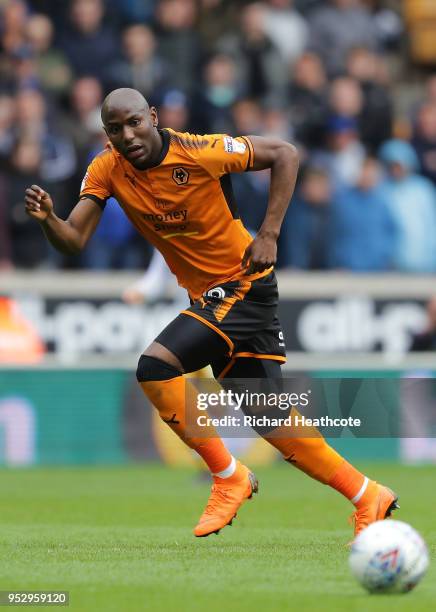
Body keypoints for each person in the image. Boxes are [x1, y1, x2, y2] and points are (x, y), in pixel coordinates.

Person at [24, 88, 398, 539]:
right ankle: (366, 495)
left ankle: (228, 475)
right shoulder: (106, 169)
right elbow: (74, 240)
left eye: (135, 122)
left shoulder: (200, 151)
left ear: (154, 117)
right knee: (268, 416)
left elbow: (285, 153)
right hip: (210, 295)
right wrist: (48, 219)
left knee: (154, 367)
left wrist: (270, 233)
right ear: (107, 135)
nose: (128, 135)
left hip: (244, 282)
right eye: (115, 129)